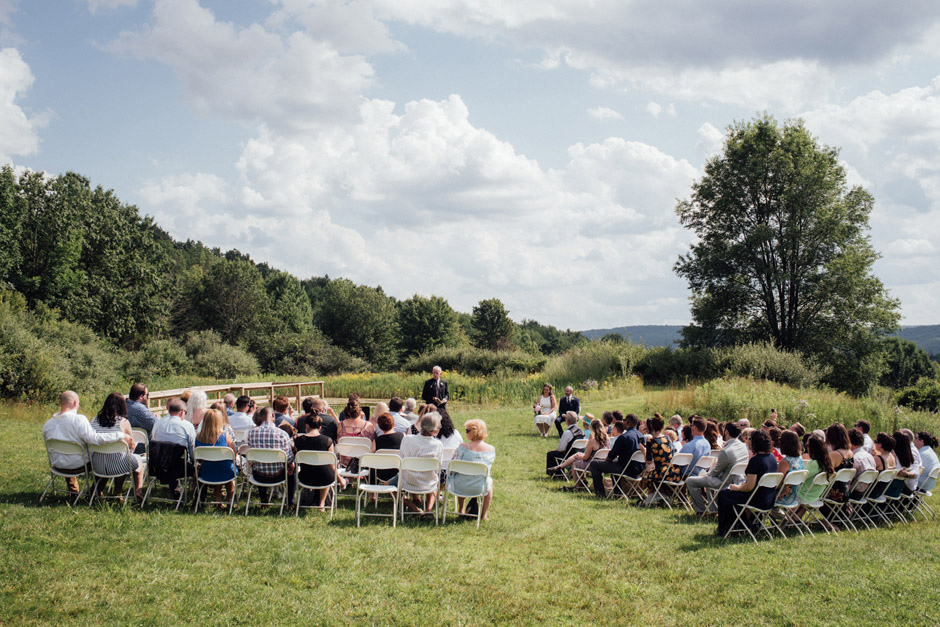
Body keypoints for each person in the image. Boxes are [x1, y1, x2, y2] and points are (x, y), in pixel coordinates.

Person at [42, 390, 130, 494]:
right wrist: (120, 435)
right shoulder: (79, 420)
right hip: (79, 465)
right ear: (75, 403)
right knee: (102, 458)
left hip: (57, 465)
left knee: (68, 454)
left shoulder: (48, 424)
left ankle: (74, 491)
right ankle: (96, 492)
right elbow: (95, 439)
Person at [715, 430, 778, 536]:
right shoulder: (772, 458)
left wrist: (737, 488)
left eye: (749, 439)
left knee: (724, 494)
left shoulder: (755, 461)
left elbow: (749, 486)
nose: (747, 441)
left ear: (754, 442)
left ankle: (725, 529)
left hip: (756, 499)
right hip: (769, 498)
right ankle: (741, 524)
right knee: (731, 495)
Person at [90, 393, 145, 501]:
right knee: (139, 464)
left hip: (97, 464)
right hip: (119, 464)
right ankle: (137, 492)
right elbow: (131, 443)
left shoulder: (94, 420)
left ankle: (97, 490)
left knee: (115, 459)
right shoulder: (123, 422)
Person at [687, 421, 749, 514]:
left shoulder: (726, 451)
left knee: (690, 481)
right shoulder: (743, 446)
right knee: (708, 481)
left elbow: (715, 472)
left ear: (726, 431)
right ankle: (714, 510)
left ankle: (701, 511)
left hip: (724, 482)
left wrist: (706, 475)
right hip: (739, 480)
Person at [247, 406, 296, 508]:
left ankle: (264, 500)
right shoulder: (282, 434)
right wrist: (291, 466)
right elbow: (289, 458)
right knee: (293, 469)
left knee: (260, 462)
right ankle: (290, 502)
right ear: (273, 415)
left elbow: (252, 455)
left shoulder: (251, 433)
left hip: (258, 475)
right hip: (278, 475)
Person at [448, 419, 496, 520]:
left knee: (460, 476)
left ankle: (461, 508)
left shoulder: (462, 447)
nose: (465, 433)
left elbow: (453, 465)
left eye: (467, 431)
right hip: (481, 487)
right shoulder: (491, 449)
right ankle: (484, 515)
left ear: (473, 432)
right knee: (490, 483)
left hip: (459, 486)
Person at [396, 413, 445, 513]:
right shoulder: (438, 444)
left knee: (389, 485)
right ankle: (429, 509)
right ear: (434, 429)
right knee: (433, 478)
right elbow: (438, 465)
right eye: (439, 427)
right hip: (428, 482)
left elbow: (401, 459)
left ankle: (413, 507)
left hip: (408, 481)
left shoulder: (407, 439)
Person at [295, 413, 345, 509]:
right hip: (324, 478)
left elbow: (297, 459)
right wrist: (341, 481)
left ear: (306, 426)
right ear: (320, 427)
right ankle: (321, 504)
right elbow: (332, 465)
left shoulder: (299, 440)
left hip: (305, 477)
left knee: (320, 471)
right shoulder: (327, 441)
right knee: (325, 471)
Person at [589, 415, 644, 498]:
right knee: (615, 465)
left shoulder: (624, 437)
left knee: (594, 464)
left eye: (624, 420)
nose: (623, 422)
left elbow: (612, 455)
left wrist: (607, 460)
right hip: (639, 469)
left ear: (628, 422)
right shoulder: (642, 436)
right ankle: (617, 493)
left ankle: (600, 494)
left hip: (626, 469)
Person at [547, 417, 609, 489]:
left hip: (592, 464)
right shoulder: (607, 438)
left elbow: (586, 457)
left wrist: (580, 456)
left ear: (592, 429)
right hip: (603, 463)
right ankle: (561, 468)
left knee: (575, 462)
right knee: (577, 456)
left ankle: (578, 485)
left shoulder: (593, 442)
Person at [194, 409, 237, 506]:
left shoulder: (199, 438)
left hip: (207, 472)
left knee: (216, 466)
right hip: (226, 472)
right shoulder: (226, 437)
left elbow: (199, 459)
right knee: (225, 468)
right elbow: (233, 456)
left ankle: (217, 498)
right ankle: (230, 499)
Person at [336, 397, 375, 467]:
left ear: (348, 412)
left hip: (345, 462)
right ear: (360, 411)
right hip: (363, 461)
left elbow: (337, 441)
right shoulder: (368, 426)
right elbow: (372, 444)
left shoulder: (341, 425)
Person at [796, 436, 834, 505]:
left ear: (812, 448)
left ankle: (784, 515)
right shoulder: (827, 463)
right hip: (815, 496)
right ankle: (793, 516)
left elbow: (801, 478)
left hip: (803, 495)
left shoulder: (814, 464)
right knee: (802, 505)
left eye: (807, 445)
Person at [825, 423, 855, 504]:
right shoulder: (850, 453)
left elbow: (827, 474)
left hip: (833, 494)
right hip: (846, 492)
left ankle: (793, 516)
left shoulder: (834, 454)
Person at [775, 430, 805, 508]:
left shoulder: (785, 462)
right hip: (794, 496)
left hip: (781, 497)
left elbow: (777, 484)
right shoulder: (800, 459)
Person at [890, 431, 921, 497]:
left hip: (902, 489)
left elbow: (916, 474)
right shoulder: (906, 455)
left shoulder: (910, 455)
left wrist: (905, 474)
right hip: (901, 487)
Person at [848, 428, 876, 496]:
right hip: (864, 493)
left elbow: (847, 479)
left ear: (850, 443)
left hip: (852, 493)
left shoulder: (855, 458)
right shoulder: (870, 457)